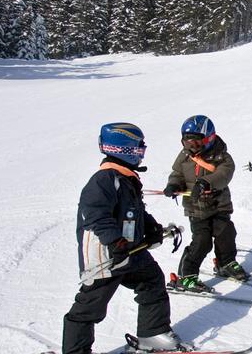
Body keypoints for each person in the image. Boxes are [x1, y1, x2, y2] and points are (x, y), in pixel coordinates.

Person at [63, 123, 189, 353]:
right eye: (139, 149)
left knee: (151, 280)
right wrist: (115, 241)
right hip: (107, 254)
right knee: (90, 306)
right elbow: (95, 215)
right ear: (125, 149)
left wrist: (151, 227)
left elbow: (134, 211)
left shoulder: (124, 178)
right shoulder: (104, 180)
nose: (142, 154)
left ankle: (154, 333)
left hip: (129, 250)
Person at [163, 115, 246, 294]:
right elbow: (177, 173)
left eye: (196, 143)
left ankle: (226, 263)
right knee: (202, 241)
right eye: (187, 143)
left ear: (208, 139)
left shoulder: (221, 156)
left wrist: (206, 182)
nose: (191, 147)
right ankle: (187, 275)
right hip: (196, 207)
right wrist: (174, 185)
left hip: (219, 204)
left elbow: (225, 173)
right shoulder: (185, 156)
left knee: (226, 233)